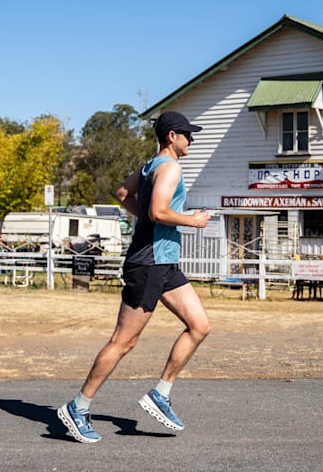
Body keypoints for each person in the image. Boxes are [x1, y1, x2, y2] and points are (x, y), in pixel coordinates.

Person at [58, 111, 212, 443]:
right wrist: (192, 221)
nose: (192, 140)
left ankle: (161, 392)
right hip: (149, 263)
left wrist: (150, 216)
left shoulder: (149, 166)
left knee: (200, 325)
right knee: (124, 341)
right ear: (172, 136)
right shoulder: (169, 167)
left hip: (165, 262)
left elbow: (123, 194)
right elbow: (157, 212)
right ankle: (78, 406)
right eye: (188, 134)